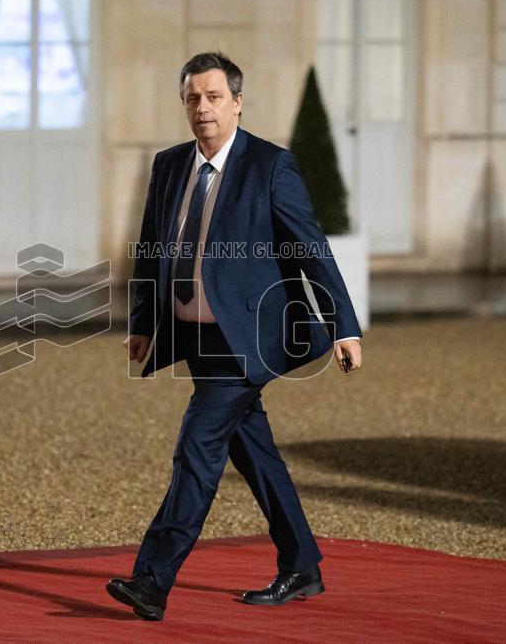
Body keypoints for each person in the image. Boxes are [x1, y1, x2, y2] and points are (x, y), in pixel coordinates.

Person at [107, 52, 363, 621]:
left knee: (197, 447)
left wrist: (344, 324)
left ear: (238, 102)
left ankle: (152, 578)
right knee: (252, 450)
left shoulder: (271, 166)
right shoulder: (170, 165)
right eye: (193, 98)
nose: (203, 107)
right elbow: (152, 247)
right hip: (193, 334)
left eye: (214, 96)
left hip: (245, 340)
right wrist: (144, 322)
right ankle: (301, 564)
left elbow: (310, 248)